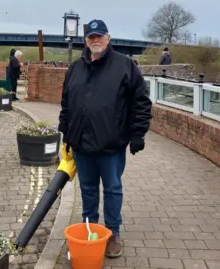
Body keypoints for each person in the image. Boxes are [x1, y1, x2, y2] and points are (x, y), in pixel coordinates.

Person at [58, 19, 152, 258]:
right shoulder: (75, 69)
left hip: (111, 144)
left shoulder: (125, 66)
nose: (95, 40)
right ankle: (90, 229)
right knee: (88, 190)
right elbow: (66, 104)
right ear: (85, 41)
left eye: (100, 36)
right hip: (81, 143)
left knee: (112, 190)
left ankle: (112, 233)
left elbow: (141, 102)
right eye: (91, 37)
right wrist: (65, 133)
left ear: (108, 38)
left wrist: (138, 133)